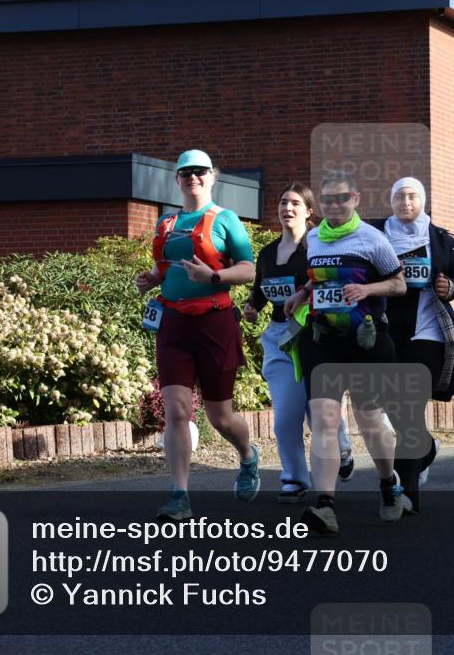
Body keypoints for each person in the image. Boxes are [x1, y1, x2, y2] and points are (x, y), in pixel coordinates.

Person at [135, 149, 260, 520]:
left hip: (215, 322)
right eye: (186, 172)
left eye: (200, 172)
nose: (193, 177)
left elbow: (249, 270)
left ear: (212, 177)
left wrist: (214, 277)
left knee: (219, 416)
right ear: (177, 179)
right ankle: (179, 496)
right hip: (173, 323)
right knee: (175, 411)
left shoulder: (226, 219)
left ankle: (248, 455)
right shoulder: (166, 223)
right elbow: (165, 268)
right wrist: (151, 280)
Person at [283, 171, 409, 534]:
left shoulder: (373, 239)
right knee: (323, 417)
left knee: (368, 419)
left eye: (342, 198)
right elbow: (317, 277)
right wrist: (301, 294)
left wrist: (367, 290)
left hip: (366, 339)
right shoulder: (314, 238)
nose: (334, 205)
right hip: (323, 338)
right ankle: (325, 505)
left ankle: (388, 482)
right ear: (319, 205)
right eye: (327, 200)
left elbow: (399, 283)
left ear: (355, 198)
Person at [242, 183, 355, 503]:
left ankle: (341, 445)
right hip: (279, 338)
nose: (286, 208)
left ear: (308, 212)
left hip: (314, 334)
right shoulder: (266, 254)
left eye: (294, 203)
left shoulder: (317, 248)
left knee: (318, 410)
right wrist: (252, 309)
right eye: (282, 202)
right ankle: (294, 478)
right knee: (286, 416)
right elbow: (259, 295)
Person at [374, 176, 454, 512]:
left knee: (410, 407)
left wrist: (448, 287)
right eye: (399, 197)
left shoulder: (440, 239)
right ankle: (425, 450)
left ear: (423, 200)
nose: (406, 202)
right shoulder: (376, 234)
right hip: (384, 331)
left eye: (412, 196)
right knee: (394, 408)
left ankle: (405, 492)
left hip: (427, 333)